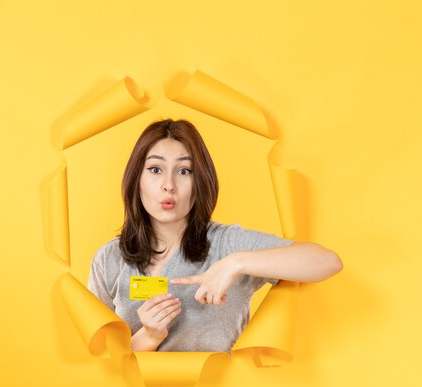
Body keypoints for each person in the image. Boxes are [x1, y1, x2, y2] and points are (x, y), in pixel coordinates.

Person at [88, 119, 342, 353]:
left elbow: (327, 262)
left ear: (201, 182)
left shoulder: (227, 244)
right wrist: (149, 337)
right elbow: (101, 362)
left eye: (184, 171)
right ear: (136, 180)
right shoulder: (109, 259)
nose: (169, 185)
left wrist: (235, 264)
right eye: (155, 169)